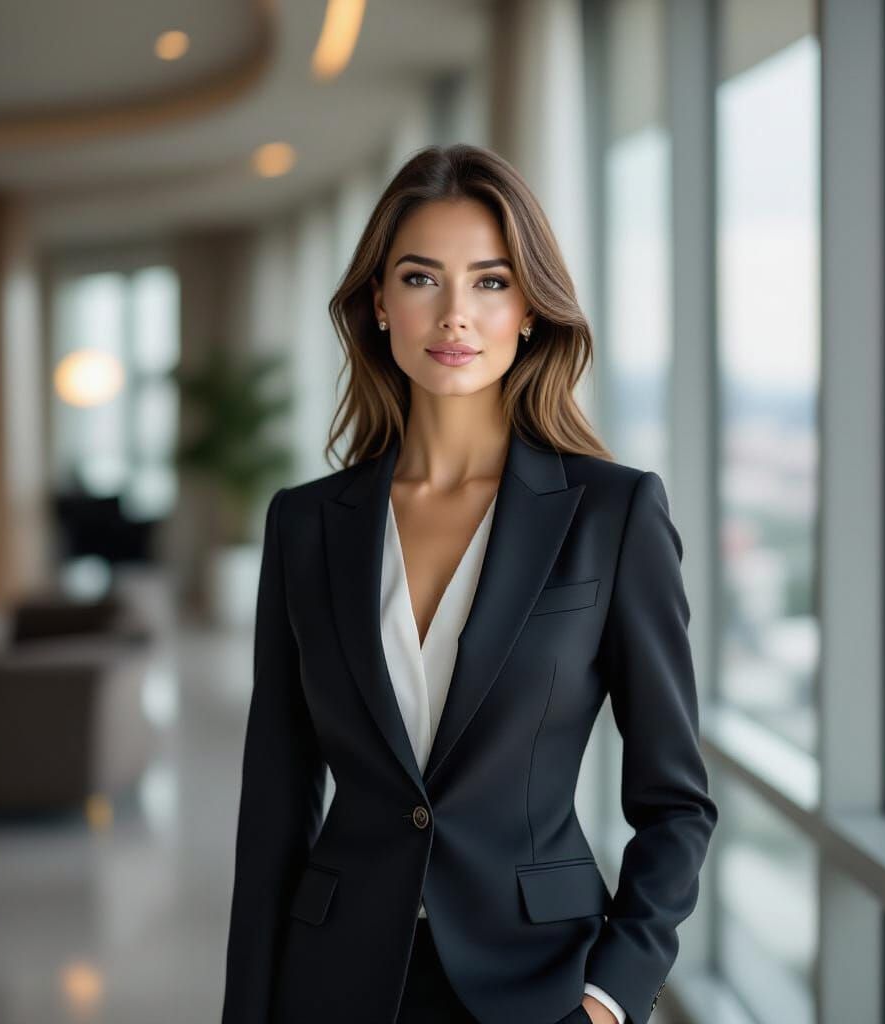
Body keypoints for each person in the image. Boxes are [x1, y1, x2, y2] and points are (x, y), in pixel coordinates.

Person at [220, 143, 718, 1024]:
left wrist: (608, 1000)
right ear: (379, 302)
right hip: (334, 984)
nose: (455, 314)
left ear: (529, 307)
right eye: (421, 279)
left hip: (541, 987)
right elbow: (273, 815)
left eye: (489, 282)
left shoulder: (612, 514)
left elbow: (675, 804)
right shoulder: (304, 525)